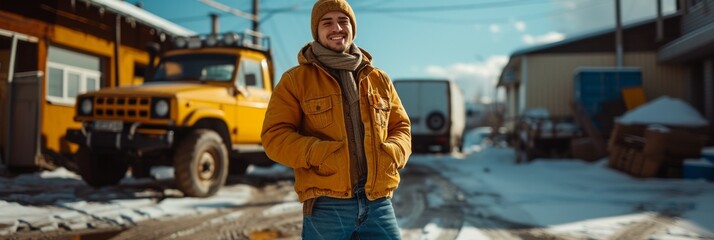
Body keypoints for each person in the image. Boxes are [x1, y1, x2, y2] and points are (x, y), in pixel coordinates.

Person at [260, 0, 411, 239]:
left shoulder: (378, 78)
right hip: (326, 204)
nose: (337, 28)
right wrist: (318, 153)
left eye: (343, 21)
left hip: (378, 201)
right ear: (316, 31)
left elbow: (400, 126)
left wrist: (393, 152)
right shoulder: (295, 81)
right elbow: (274, 137)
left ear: (352, 27)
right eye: (327, 22)